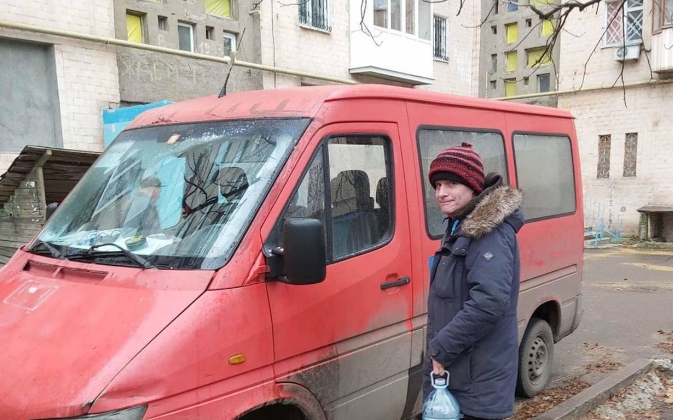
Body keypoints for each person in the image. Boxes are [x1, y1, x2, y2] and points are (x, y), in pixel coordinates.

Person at [423, 142, 525, 420]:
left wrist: (441, 351)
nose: (441, 193)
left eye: (451, 184)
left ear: (472, 187)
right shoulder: (460, 226)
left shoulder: (489, 233)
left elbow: (488, 303)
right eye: (437, 185)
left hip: (476, 380)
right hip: (460, 371)